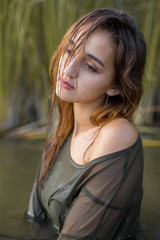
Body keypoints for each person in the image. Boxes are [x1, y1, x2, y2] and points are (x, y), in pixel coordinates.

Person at [27, 8, 146, 240]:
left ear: (115, 86)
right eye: (69, 50)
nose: (68, 69)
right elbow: (33, 217)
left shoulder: (116, 135)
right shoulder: (64, 117)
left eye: (90, 66)